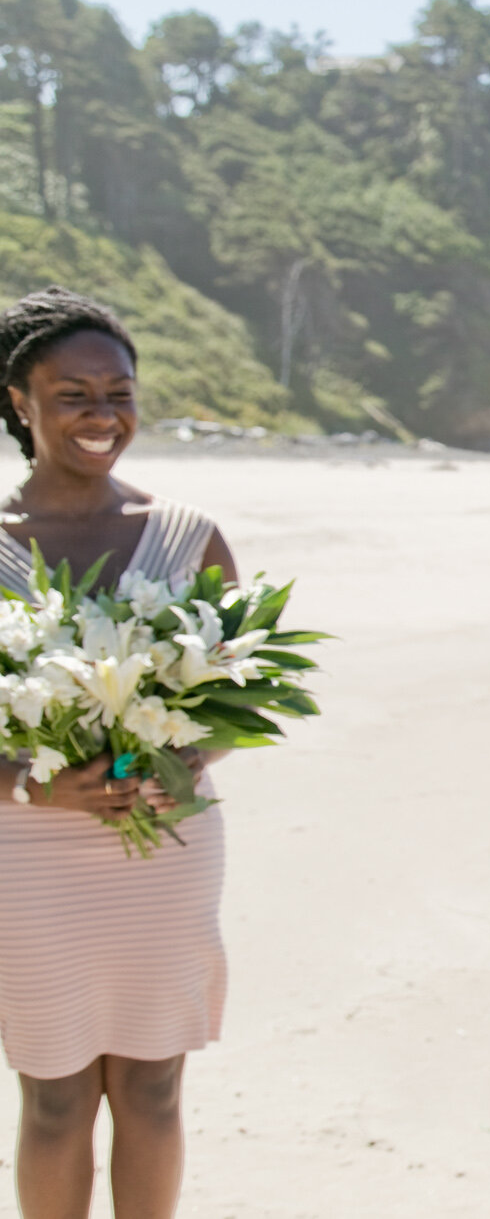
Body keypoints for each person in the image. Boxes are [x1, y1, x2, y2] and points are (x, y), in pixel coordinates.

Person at [0, 287, 234, 1219]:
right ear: (19, 399)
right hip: (27, 850)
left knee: (154, 1084)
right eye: (74, 395)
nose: (103, 416)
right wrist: (29, 785)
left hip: (163, 836)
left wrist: (165, 765)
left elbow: (233, 702)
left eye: (119, 393)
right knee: (54, 1096)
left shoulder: (186, 535)